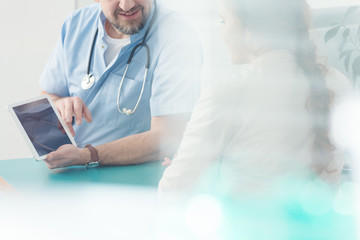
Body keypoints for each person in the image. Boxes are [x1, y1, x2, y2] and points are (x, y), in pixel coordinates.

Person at [158, 0, 352, 197]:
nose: (221, 34)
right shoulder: (339, 84)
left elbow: (172, 192)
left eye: (224, 22)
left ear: (248, 27)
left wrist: (191, 169)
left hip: (248, 226)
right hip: (320, 226)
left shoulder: (225, 94)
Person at [39, 0, 202, 169]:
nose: (127, 5)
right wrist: (60, 103)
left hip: (130, 179)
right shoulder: (76, 23)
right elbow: (49, 94)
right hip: (67, 169)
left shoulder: (176, 34)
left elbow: (168, 137)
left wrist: (88, 155)